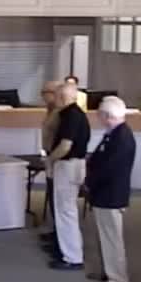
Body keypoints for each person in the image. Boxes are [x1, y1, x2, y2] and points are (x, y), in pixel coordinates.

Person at [86, 96, 136, 282]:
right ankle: (108, 271)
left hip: (111, 195)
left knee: (112, 238)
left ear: (107, 116)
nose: (98, 118)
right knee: (105, 236)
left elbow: (108, 169)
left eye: (99, 114)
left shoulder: (121, 138)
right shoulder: (114, 134)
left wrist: (89, 182)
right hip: (105, 193)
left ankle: (118, 279)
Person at [47, 83, 90, 270]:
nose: (52, 99)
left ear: (62, 97)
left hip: (68, 166)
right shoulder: (77, 113)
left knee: (65, 212)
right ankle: (72, 252)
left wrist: (50, 159)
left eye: (55, 96)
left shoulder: (70, 116)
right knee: (68, 211)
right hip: (76, 165)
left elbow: (65, 146)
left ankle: (72, 257)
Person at [39, 81, 63, 249]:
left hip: (57, 158)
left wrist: (52, 158)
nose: (43, 96)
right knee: (52, 195)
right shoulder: (50, 110)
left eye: (45, 93)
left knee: (57, 198)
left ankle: (61, 236)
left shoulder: (61, 113)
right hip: (49, 156)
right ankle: (56, 231)